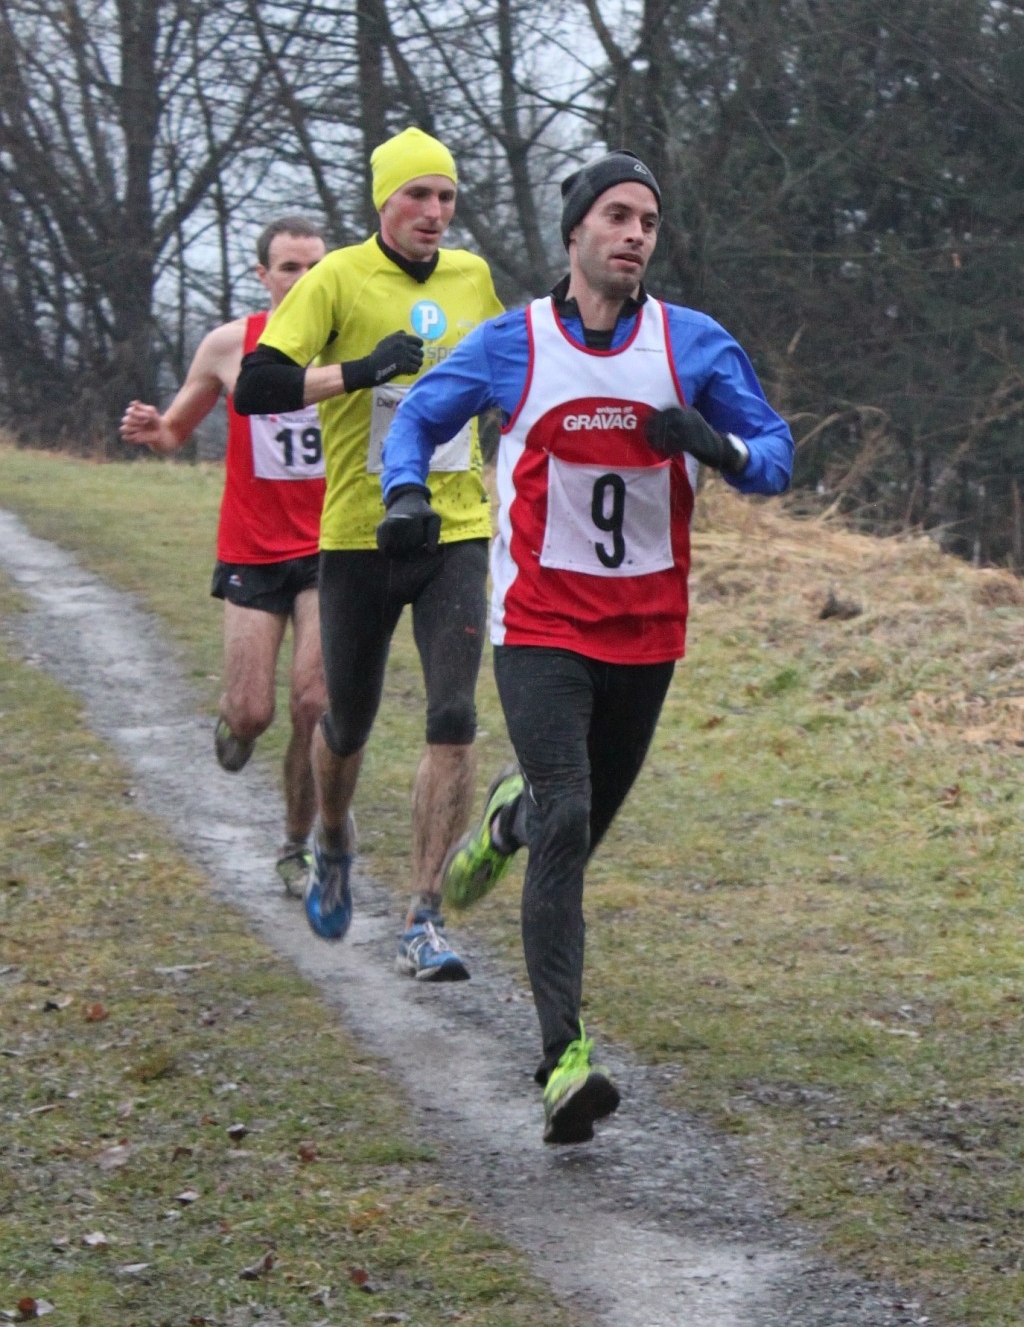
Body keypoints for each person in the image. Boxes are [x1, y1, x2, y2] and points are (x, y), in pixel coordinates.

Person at [378, 149, 794, 1143]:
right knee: (571, 818)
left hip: (647, 633)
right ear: (575, 233)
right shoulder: (511, 344)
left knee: (571, 828)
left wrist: (716, 446)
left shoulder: (690, 344)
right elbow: (419, 417)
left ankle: (505, 825)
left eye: (647, 221)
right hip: (540, 626)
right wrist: (404, 494)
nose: (633, 234)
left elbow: (775, 458)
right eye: (615, 215)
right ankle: (564, 1062)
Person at [234, 127, 503, 981]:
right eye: (417, 195)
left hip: (455, 528)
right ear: (382, 201)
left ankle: (425, 917)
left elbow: (509, 373)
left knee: (453, 716)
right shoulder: (336, 278)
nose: (433, 212)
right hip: (357, 536)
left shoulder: (473, 279)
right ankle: (333, 837)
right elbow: (257, 386)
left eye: (446, 197)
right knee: (344, 723)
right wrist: (356, 372)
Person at [120, 216, 329, 896]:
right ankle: (233, 722)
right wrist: (153, 429)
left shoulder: (350, 345)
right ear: (263, 276)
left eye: (314, 268)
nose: (303, 281)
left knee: (313, 704)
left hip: (330, 546)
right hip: (253, 549)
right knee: (253, 713)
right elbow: (176, 432)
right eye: (290, 268)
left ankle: (296, 847)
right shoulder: (230, 346)